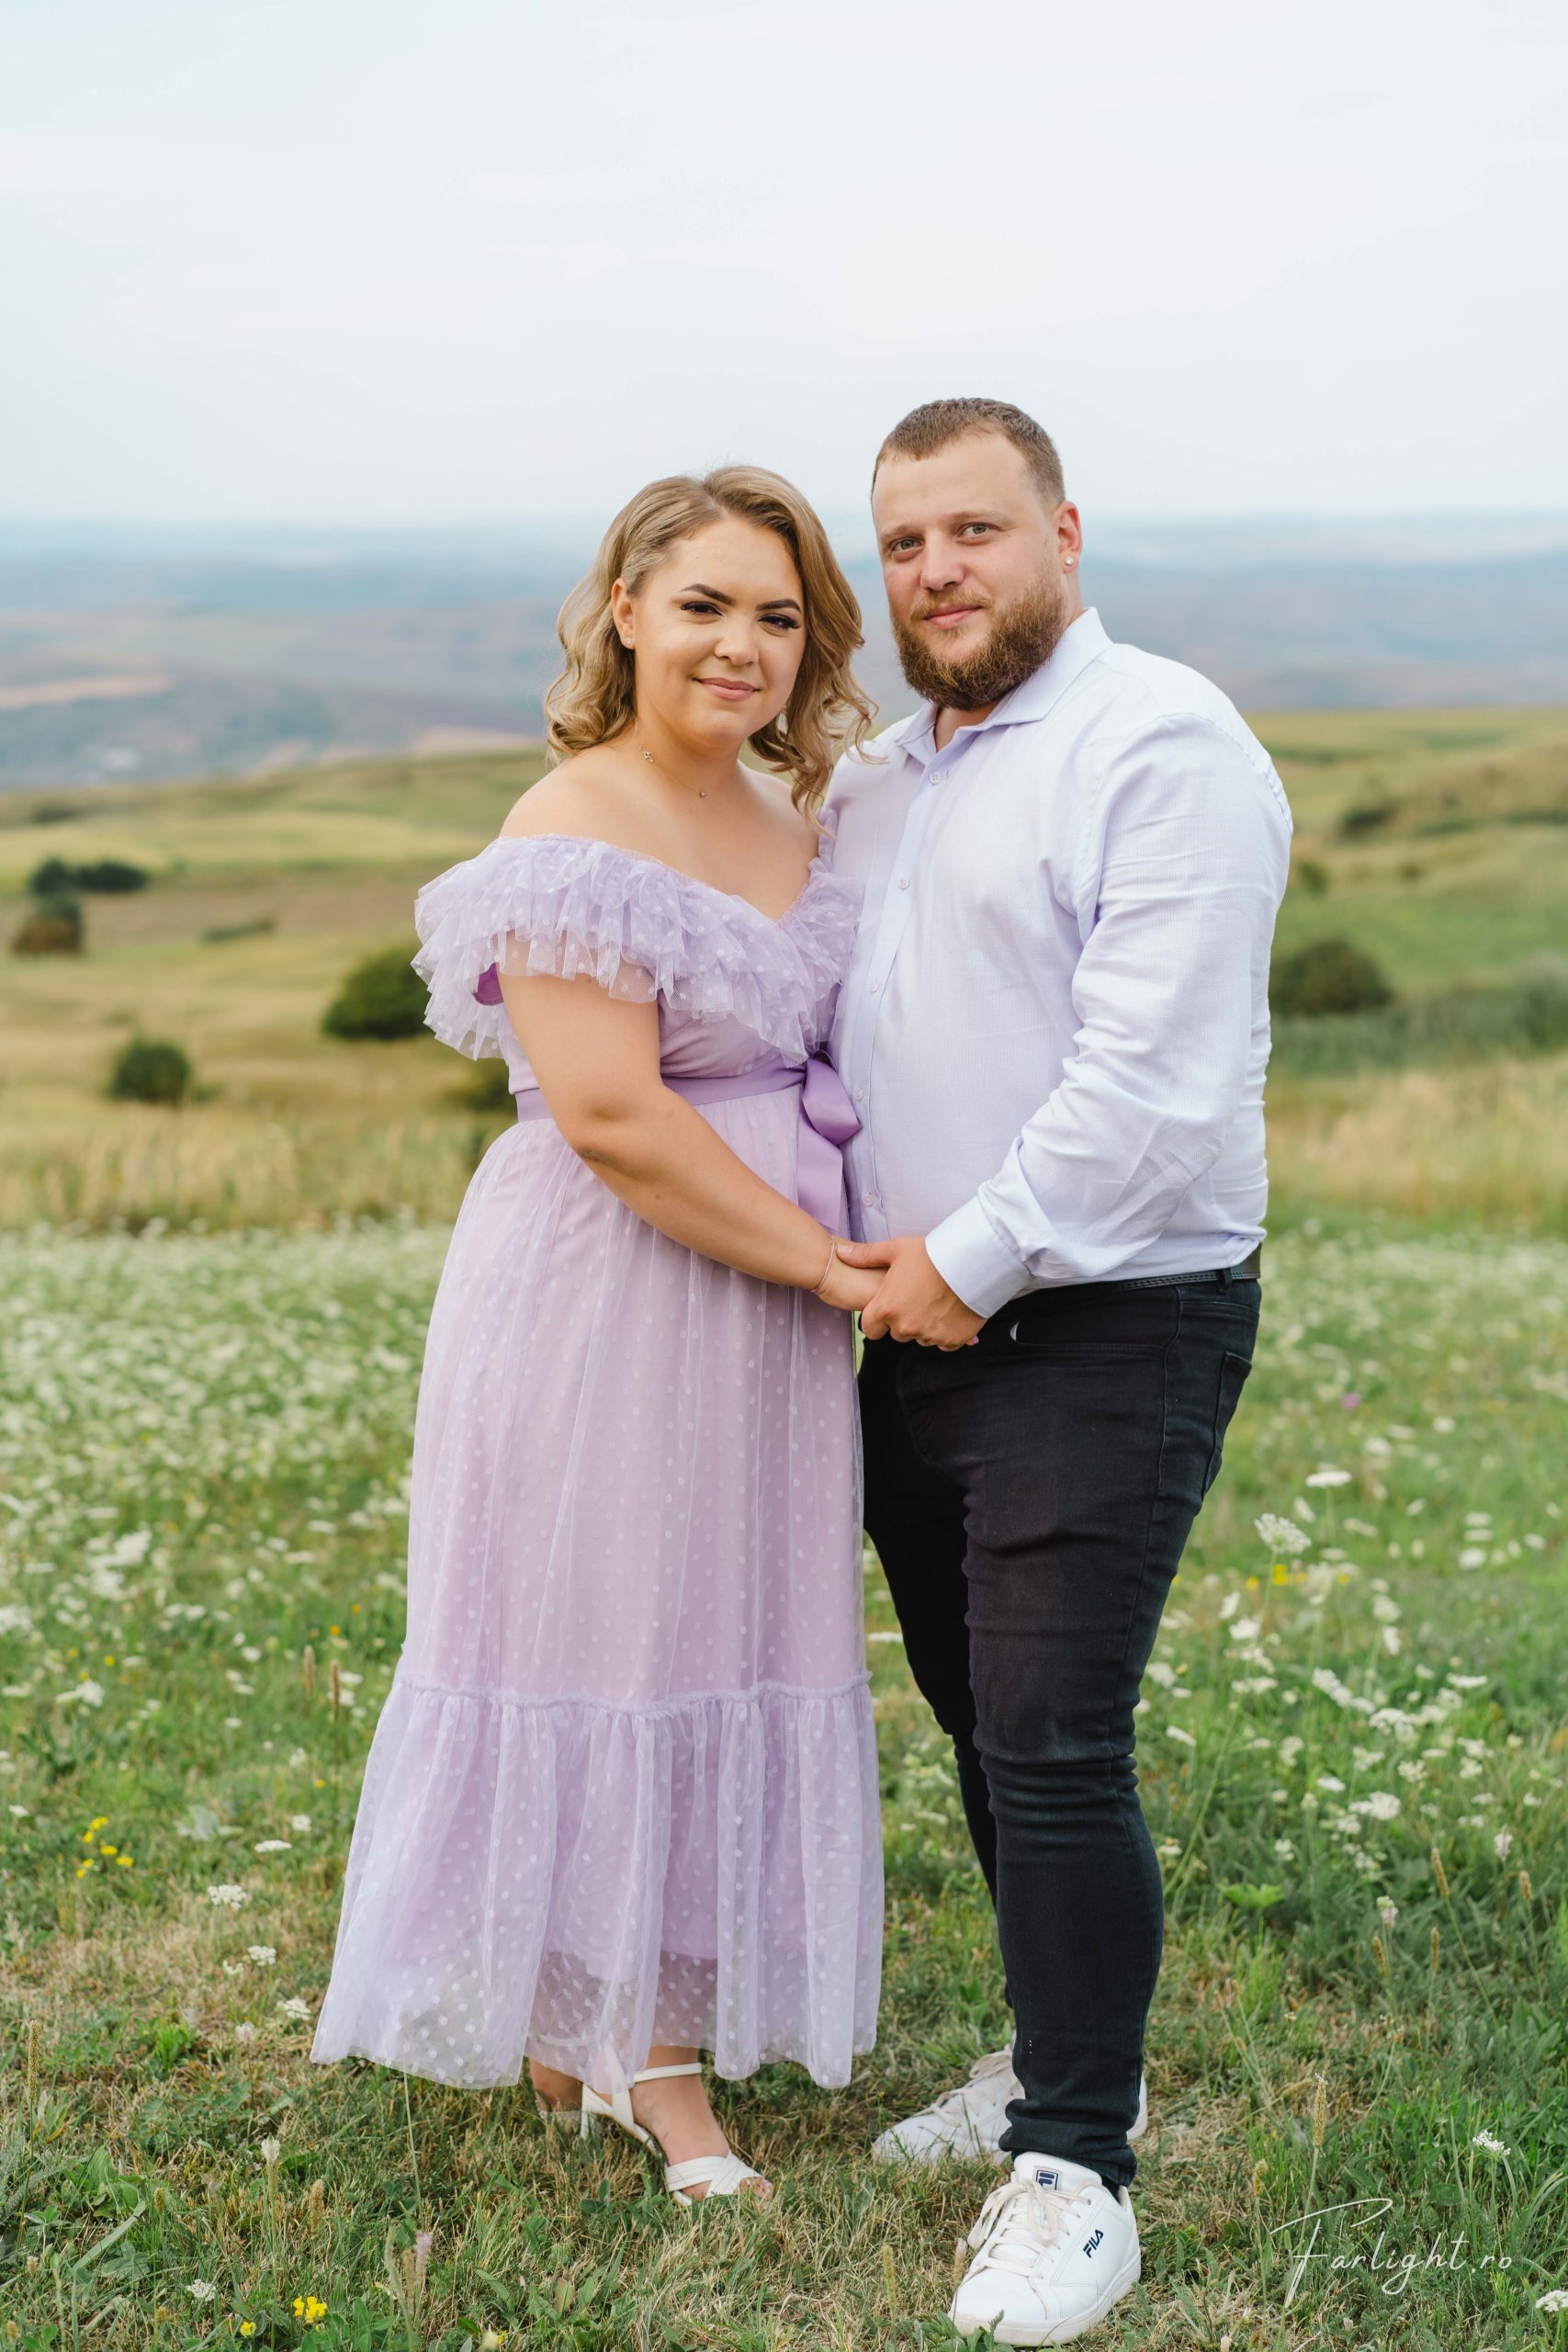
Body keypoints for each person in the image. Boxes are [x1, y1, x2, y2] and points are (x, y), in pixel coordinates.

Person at [310, 466, 886, 2208]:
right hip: (616, 1290)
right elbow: (617, 1118)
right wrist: (831, 1268)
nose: (740, 646)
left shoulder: (802, 823)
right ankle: (645, 2058)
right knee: (609, 1630)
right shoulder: (573, 826)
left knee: (723, 1620)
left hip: (763, 1309)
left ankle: (601, 2017)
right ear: (624, 610)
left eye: (778, 616)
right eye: (703, 605)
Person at [826, 399, 1292, 2343]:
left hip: (1104, 1314)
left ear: (1064, 533)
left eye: (975, 529)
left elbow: (1153, 1082)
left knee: (1048, 1729)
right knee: (969, 1708)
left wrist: (968, 1256)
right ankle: (1037, 2049)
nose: (936, 570)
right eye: (903, 541)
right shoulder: (875, 779)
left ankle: (1078, 2169)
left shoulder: (1159, 742)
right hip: (898, 1324)